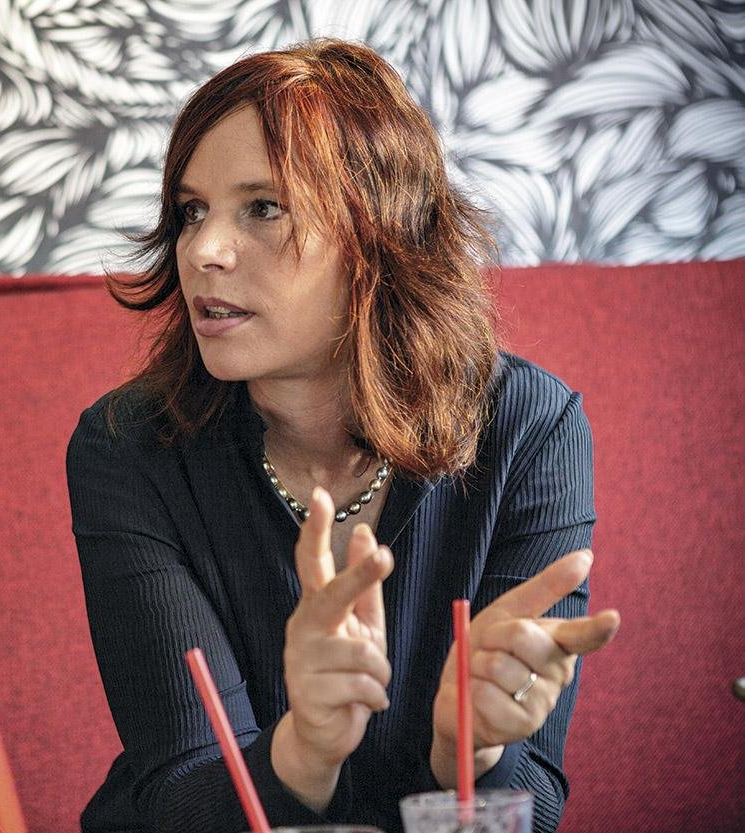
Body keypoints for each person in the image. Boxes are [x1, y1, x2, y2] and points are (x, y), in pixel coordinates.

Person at [65, 38, 621, 833]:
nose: (203, 251)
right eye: (192, 211)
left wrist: (475, 747)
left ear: (380, 234)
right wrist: (305, 751)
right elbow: (180, 793)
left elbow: (530, 811)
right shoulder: (127, 447)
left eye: (264, 207)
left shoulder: (531, 428)